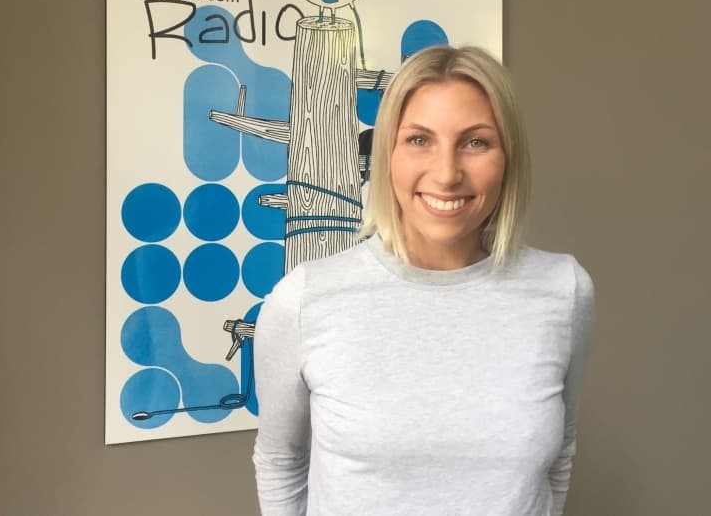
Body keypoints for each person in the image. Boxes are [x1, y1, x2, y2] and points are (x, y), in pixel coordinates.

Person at [252, 45, 594, 516]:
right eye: (418, 139)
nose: (447, 174)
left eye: (476, 142)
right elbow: (280, 461)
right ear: (387, 155)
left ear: (509, 158)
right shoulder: (304, 300)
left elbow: (559, 458)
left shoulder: (563, 290)